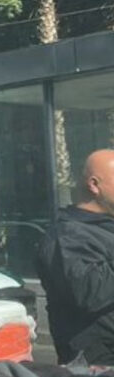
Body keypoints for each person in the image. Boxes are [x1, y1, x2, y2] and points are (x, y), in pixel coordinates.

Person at [37, 149, 114, 365]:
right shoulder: (68, 235)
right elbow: (89, 291)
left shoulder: (105, 228)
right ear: (94, 185)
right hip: (98, 366)